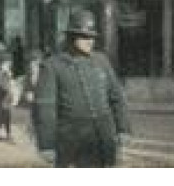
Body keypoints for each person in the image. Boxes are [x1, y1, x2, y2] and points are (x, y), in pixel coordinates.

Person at [33, 9, 129, 167]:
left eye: (92, 37)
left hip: (102, 139)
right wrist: (47, 144)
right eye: (84, 37)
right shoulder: (53, 66)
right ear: (71, 37)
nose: (90, 41)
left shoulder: (102, 61)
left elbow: (117, 97)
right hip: (70, 143)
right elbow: (45, 108)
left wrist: (123, 128)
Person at [0, 41, 18, 140]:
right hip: (2, 88)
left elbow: (3, 74)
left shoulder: (1, 62)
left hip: (3, 88)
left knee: (4, 111)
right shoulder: (0, 62)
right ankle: (3, 133)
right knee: (5, 111)